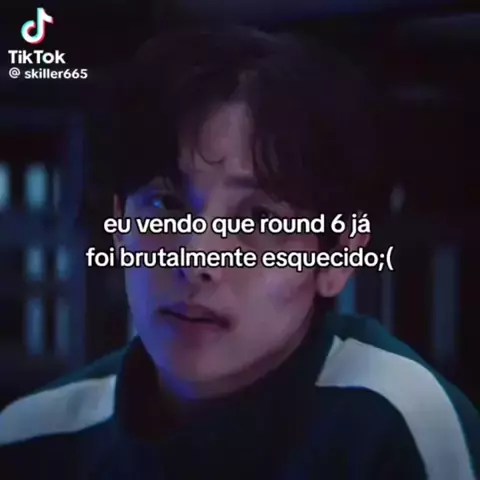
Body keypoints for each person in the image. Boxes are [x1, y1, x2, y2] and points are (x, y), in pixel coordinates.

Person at [0, 26, 478, 480]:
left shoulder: (404, 431)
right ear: (121, 223)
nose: (197, 259)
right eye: (166, 205)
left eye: (260, 220)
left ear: (339, 255)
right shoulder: (31, 440)